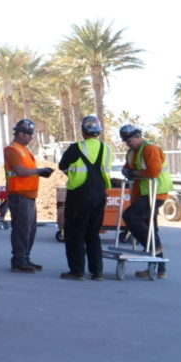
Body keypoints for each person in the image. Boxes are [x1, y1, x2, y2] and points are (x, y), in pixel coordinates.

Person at [56, 115, 113, 280]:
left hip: (80, 194)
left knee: (75, 232)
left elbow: (62, 166)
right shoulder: (106, 149)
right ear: (98, 132)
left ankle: (77, 271)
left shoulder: (76, 148)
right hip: (100, 193)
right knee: (93, 233)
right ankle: (97, 272)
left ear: (83, 131)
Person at [119, 124, 171, 274]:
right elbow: (127, 168)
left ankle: (153, 247)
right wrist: (128, 172)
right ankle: (158, 268)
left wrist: (134, 173)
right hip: (143, 193)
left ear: (138, 137)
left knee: (130, 216)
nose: (128, 144)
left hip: (156, 193)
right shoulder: (131, 152)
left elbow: (153, 171)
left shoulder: (150, 149)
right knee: (150, 228)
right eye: (126, 142)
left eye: (129, 141)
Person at [3, 118, 52, 273]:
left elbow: (27, 170)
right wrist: (40, 171)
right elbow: (20, 171)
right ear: (20, 133)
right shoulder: (12, 150)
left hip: (29, 194)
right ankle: (18, 260)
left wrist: (40, 173)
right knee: (22, 229)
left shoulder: (25, 150)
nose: (31, 137)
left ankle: (25, 258)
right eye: (28, 134)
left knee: (30, 229)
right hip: (19, 194)